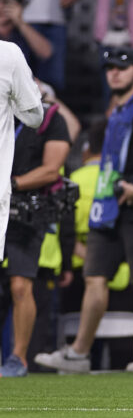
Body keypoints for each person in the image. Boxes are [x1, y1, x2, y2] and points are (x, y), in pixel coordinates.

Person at [34, 46, 133, 375]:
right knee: (94, 278)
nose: (114, 73)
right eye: (110, 68)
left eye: (122, 68)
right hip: (108, 207)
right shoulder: (117, 111)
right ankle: (80, 353)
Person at [0, 80, 70, 378]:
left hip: (26, 211)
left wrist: (9, 184)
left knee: (20, 285)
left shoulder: (51, 117)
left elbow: (52, 169)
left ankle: (18, 358)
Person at [0, 42, 43, 373]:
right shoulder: (9, 55)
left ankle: (17, 356)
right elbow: (33, 114)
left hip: (22, 203)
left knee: (19, 285)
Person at [0, 0, 53, 68]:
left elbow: (46, 53)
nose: (2, 5)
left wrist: (20, 22)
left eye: (8, 0)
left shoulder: (23, 33)